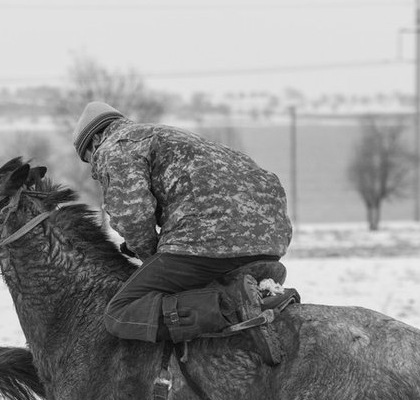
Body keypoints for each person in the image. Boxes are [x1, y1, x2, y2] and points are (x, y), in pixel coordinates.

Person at [72, 101, 292, 344]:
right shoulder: (171, 137)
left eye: (89, 159)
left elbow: (132, 215)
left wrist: (148, 255)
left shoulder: (114, 146)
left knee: (121, 312)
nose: (94, 166)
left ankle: (231, 302)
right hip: (271, 244)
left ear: (93, 141)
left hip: (208, 243)